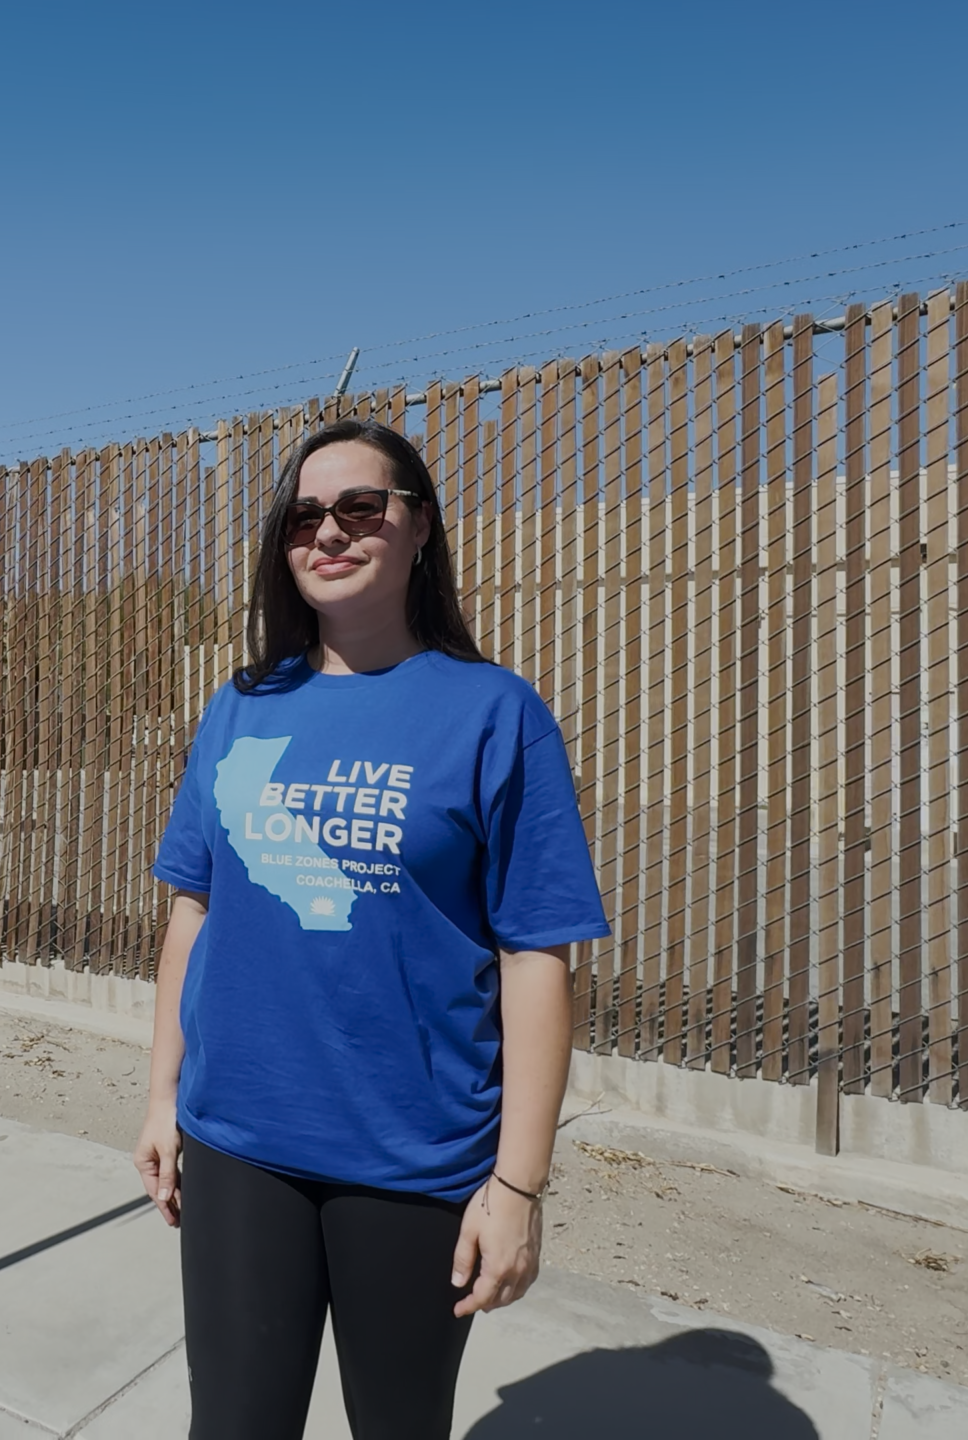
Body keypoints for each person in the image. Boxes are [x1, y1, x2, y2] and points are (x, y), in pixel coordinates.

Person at [135, 418, 611, 1440]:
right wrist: (161, 1096)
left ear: (420, 527)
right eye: (305, 514)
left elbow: (536, 955)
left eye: (362, 507)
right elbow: (194, 904)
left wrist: (517, 1187)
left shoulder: (493, 713)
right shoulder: (242, 707)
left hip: (412, 1159)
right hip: (238, 1143)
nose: (330, 532)